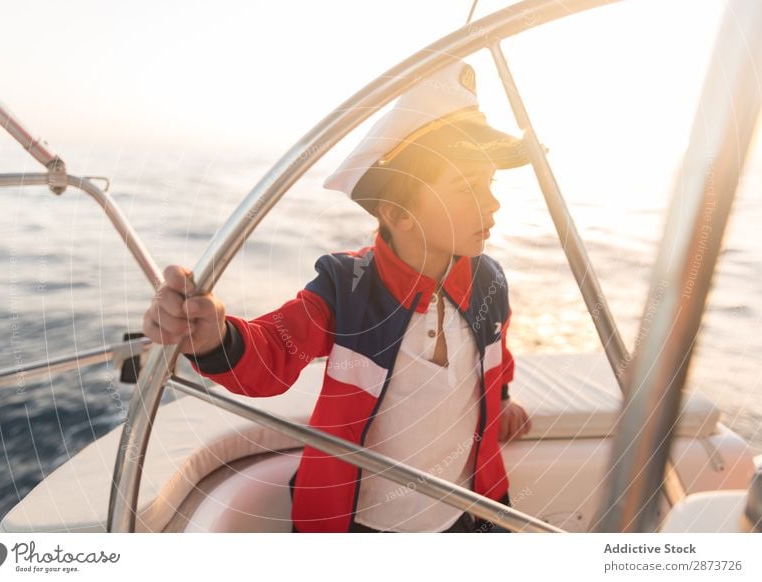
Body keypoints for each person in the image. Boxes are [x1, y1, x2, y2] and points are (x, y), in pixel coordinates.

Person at [143, 60, 532, 533]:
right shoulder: (347, 286)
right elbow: (274, 353)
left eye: (489, 184)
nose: (492, 203)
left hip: (466, 514)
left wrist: (504, 400)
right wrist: (213, 338)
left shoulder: (489, 281)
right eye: (469, 187)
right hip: (360, 526)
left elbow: (496, 357)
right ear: (398, 211)